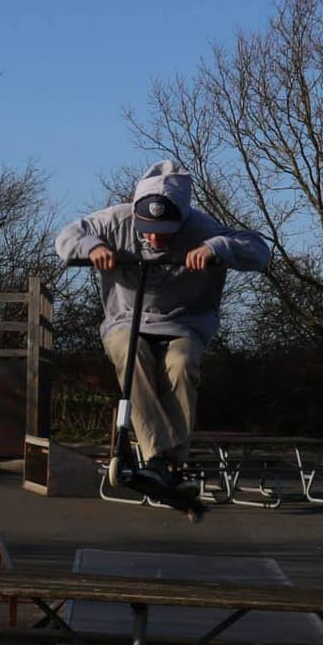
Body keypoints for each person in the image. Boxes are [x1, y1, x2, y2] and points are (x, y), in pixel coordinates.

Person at [54, 160, 270, 482]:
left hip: (186, 322)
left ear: (181, 220)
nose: (155, 240)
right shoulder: (115, 220)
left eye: (165, 233)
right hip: (127, 320)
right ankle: (159, 457)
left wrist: (218, 247)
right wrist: (92, 246)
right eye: (148, 232)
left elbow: (259, 252)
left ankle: (173, 465)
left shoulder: (203, 228)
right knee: (130, 355)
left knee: (182, 365)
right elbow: (68, 236)